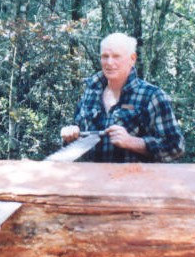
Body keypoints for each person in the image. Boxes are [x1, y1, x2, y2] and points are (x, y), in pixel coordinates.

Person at [60, 33, 184, 163]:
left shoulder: (152, 96)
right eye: (105, 56)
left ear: (132, 59)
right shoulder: (90, 92)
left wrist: (132, 142)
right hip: (91, 175)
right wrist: (71, 135)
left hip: (135, 176)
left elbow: (176, 147)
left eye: (116, 56)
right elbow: (79, 140)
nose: (109, 62)